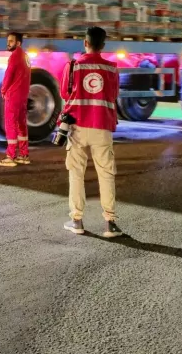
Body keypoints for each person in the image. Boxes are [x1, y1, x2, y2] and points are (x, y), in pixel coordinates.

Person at [59, 26, 122, 238]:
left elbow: (64, 93)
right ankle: (110, 223)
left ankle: (76, 220)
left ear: (85, 43)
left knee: (76, 173)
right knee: (106, 174)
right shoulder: (112, 69)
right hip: (102, 127)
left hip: (77, 127)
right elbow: (113, 95)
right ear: (103, 45)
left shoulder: (73, 66)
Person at [0, 32, 31, 167]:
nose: (8, 43)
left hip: (13, 94)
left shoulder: (15, 56)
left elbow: (8, 75)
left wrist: (3, 90)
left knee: (10, 124)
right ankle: (24, 154)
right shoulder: (25, 56)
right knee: (21, 124)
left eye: (11, 41)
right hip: (22, 95)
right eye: (8, 41)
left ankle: (10, 156)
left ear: (18, 43)